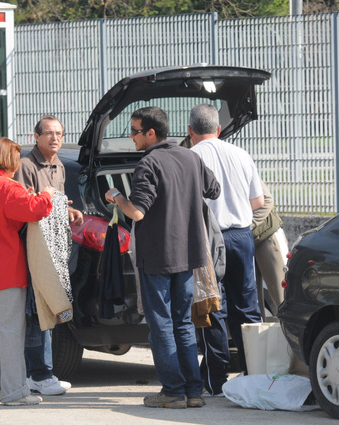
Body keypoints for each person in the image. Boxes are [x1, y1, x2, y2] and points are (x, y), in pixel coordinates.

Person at [104, 106, 220, 409]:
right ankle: (193, 392)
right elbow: (214, 190)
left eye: (135, 131)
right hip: (189, 254)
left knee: (161, 325)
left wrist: (116, 196)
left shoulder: (149, 163)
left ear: (151, 133)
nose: (131, 136)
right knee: (183, 323)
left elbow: (137, 212)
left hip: (157, 257)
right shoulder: (191, 157)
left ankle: (172, 391)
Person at [0, 137, 55, 406]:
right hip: (5, 268)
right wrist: (47, 194)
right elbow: (36, 210)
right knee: (11, 330)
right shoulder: (8, 186)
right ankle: (14, 391)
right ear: (10, 161)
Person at [189, 103, 264, 379]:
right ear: (219, 128)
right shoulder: (241, 154)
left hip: (209, 238)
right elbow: (258, 201)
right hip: (242, 236)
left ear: (190, 131)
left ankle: (216, 377)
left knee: (212, 306)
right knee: (247, 306)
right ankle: (254, 372)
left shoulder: (191, 157)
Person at [15, 115, 83, 396]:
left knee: (50, 310)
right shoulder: (26, 165)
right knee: (36, 313)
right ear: (36, 137)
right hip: (32, 250)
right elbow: (25, 208)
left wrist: (70, 211)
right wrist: (52, 205)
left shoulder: (60, 166)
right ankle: (38, 375)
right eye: (49, 133)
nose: (55, 138)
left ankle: (44, 373)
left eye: (59, 133)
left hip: (54, 249)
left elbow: (55, 203)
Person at [251, 181, 286, 317]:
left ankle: (290, 330)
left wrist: (248, 225)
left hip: (267, 235)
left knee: (282, 296)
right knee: (252, 303)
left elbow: (266, 200)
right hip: (245, 241)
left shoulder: (242, 167)